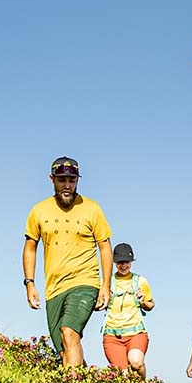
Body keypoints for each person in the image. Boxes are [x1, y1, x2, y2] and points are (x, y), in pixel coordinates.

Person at [22, 157, 113, 367]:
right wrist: (30, 282)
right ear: (52, 179)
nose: (67, 185)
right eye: (62, 180)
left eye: (72, 180)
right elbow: (30, 247)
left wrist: (105, 287)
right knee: (64, 350)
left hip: (85, 283)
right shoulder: (39, 211)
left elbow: (105, 246)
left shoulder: (92, 209)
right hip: (54, 289)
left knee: (69, 332)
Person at [101, 243, 155, 378]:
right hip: (112, 335)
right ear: (114, 262)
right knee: (123, 375)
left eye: (127, 262)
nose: (123, 265)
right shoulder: (107, 282)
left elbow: (151, 305)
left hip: (136, 332)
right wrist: (106, 298)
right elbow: (98, 306)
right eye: (120, 262)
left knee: (136, 363)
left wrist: (142, 301)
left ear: (131, 262)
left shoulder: (140, 281)